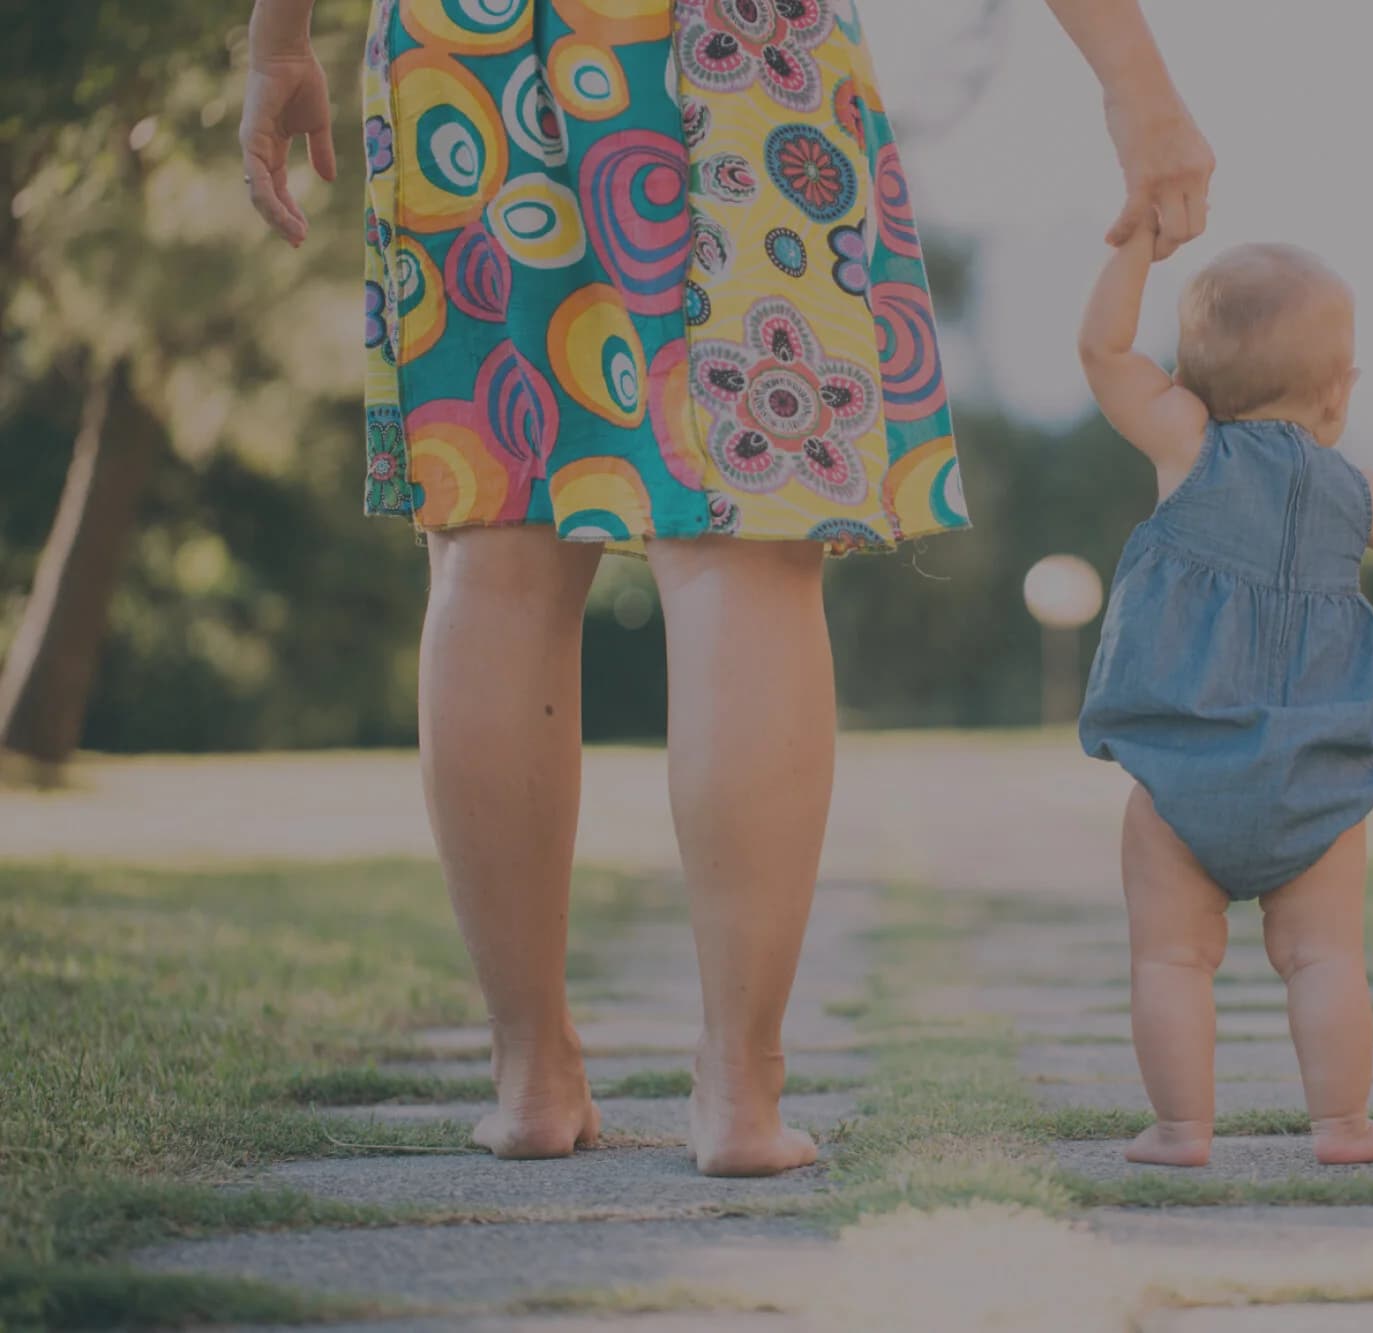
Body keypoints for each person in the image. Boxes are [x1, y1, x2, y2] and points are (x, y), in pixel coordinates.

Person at [239, 0, 1212, 1173]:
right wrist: (1135, 79)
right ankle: (740, 1095)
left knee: (496, 536)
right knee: (744, 542)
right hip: (742, 46)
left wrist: (279, 37)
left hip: (473, 38)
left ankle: (531, 1077)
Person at [1075, 223, 1373, 1167]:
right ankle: (1341, 1124)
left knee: (1171, 959)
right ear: (1338, 393)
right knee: (1325, 957)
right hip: (1317, 778)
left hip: (1185, 776)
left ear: (1191, 377)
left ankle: (1182, 1129)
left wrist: (1136, 246)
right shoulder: (1356, 491)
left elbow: (1101, 350)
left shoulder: (1190, 444)